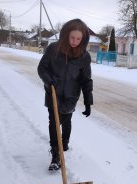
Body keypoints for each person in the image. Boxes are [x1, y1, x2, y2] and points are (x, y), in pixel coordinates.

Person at [37, 19, 93, 171]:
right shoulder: (53, 49)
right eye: (72, 37)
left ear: (83, 39)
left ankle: (65, 142)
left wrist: (88, 101)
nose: (74, 41)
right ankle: (56, 155)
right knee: (54, 123)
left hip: (71, 95)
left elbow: (86, 80)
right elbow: (42, 68)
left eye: (78, 38)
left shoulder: (84, 56)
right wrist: (49, 81)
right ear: (66, 35)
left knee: (66, 119)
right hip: (52, 92)